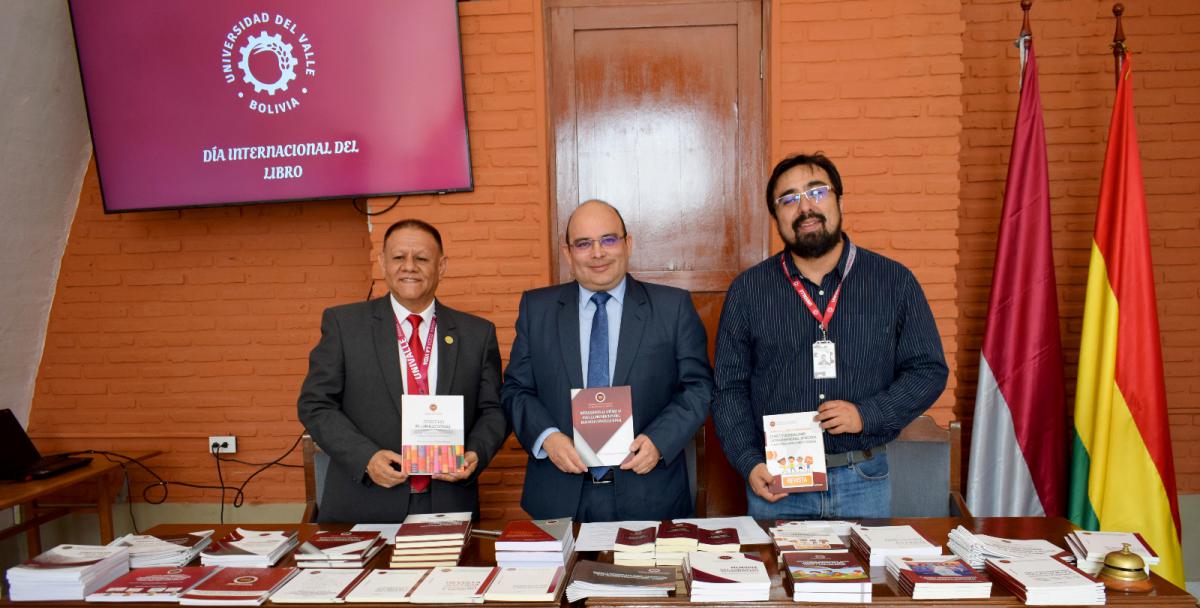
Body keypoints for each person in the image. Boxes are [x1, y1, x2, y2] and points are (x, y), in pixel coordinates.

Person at [712, 153, 948, 518]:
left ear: (840, 200)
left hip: (863, 477)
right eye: (788, 199)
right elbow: (729, 388)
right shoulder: (748, 291)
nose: (804, 207)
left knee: (866, 577)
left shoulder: (893, 281)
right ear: (777, 218)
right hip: (779, 483)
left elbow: (928, 370)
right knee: (776, 577)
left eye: (816, 192)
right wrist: (748, 461)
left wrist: (868, 414)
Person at [501, 200, 713, 521]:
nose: (597, 253)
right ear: (567, 252)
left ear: (628, 244)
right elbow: (516, 389)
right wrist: (547, 437)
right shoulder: (537, 310)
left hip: (649, 493)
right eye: (584, 243)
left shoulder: (673, 308)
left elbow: (698, 387)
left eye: (608, 240)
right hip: (559, 493)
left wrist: (659, 440)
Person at [298, 219, 507, 522]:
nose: (409, 266)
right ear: (383, 263)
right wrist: (365, 458)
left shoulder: (476, 334)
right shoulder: (345, 325)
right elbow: (315, 404)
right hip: (364, 500)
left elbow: (494, 410)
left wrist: (475, 452)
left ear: (442, 266)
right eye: (398, 257)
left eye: (421, 258)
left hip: (447, 502)